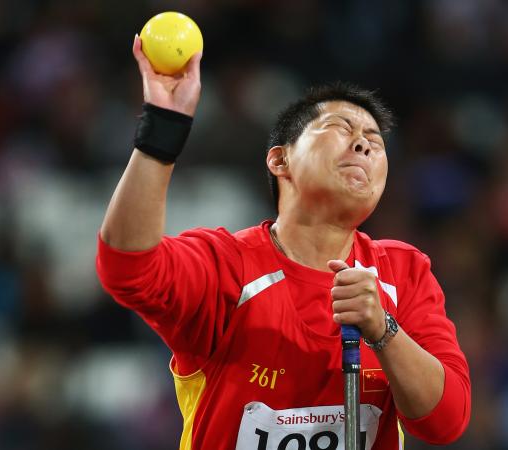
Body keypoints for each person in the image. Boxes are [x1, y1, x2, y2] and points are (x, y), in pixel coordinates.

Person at [96, 35, 471, 450]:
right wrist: (162, 130)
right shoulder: (226, 267)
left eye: (375, 142)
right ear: (280, 160)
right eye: (340, 128)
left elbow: (446, 422)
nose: (364, 143)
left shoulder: (404, 273)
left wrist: (383, 330)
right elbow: (126, 268)